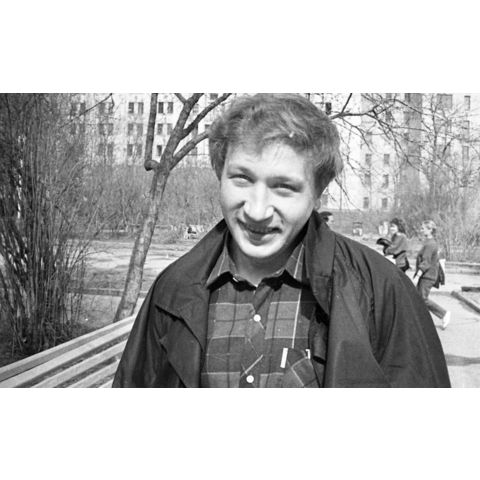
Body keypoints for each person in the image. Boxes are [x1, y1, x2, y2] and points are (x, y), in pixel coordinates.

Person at [113, 93, 450, 388]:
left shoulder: (381, 293)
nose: (257, 211)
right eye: (242, 179)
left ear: (317, 191)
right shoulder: (172, 291)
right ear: (220, 175)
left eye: (284, 187)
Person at [415, 220, 451, 330]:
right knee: (417, 298)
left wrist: (417, 276)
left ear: (430, 230)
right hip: (425, 275)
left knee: (422, 298)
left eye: (423, 228)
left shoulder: (430, 244)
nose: (421, 230)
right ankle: (419, 321)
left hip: (427, 276)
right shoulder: (428, 242)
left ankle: (443, 313)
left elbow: (426, 262)